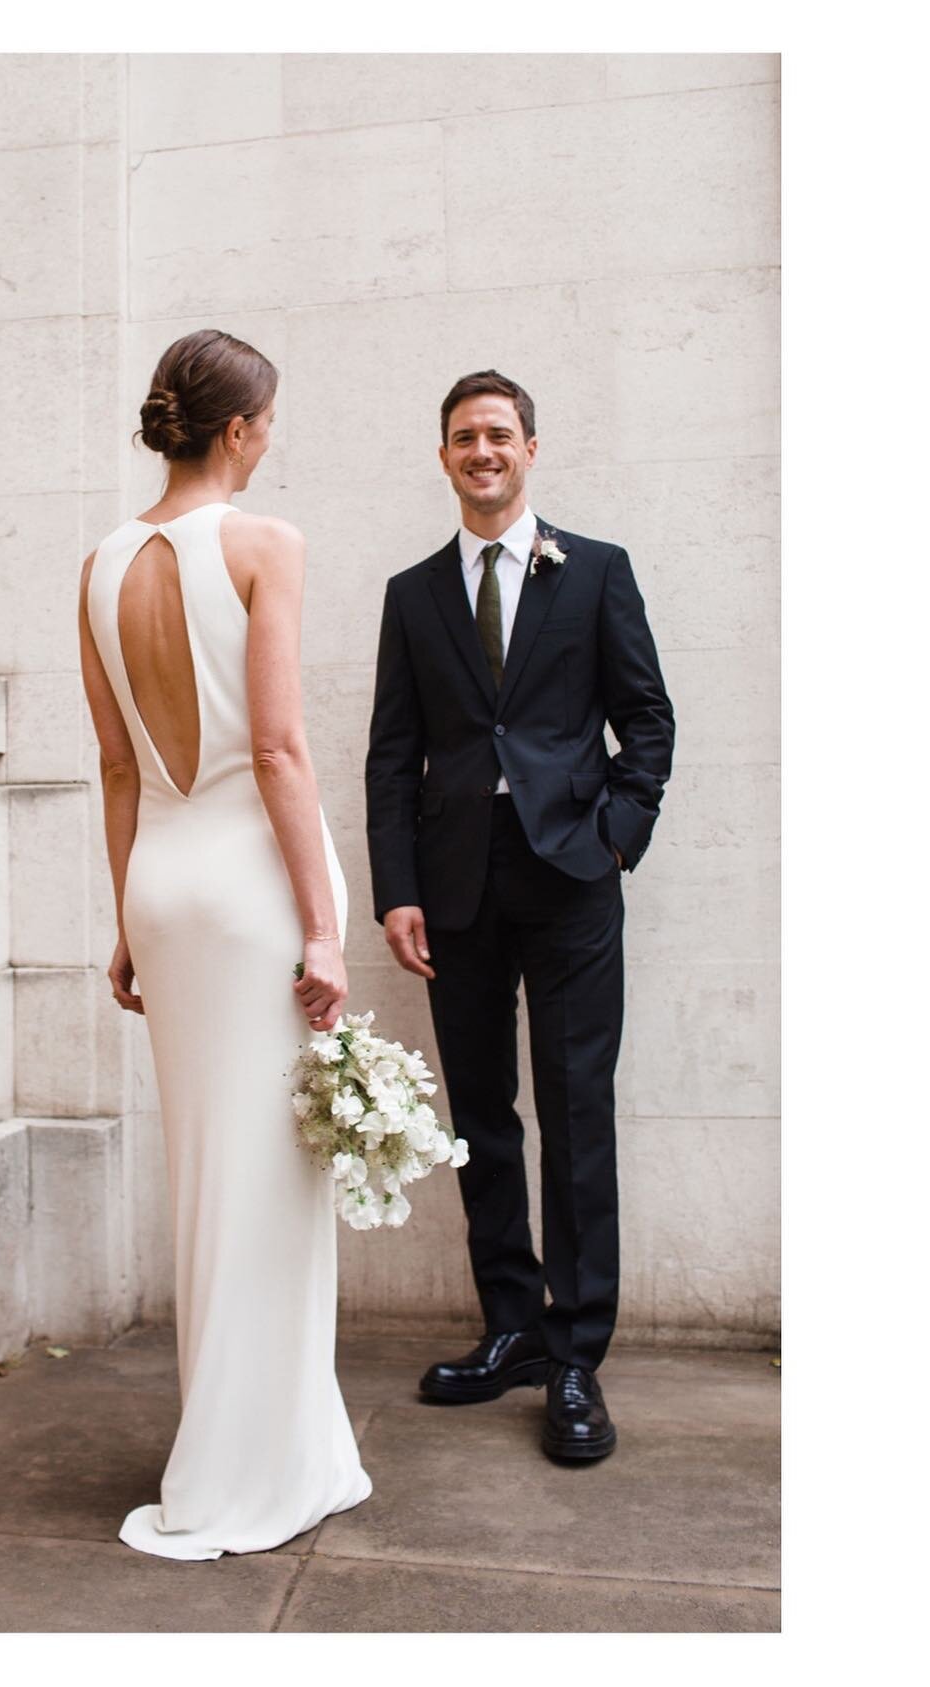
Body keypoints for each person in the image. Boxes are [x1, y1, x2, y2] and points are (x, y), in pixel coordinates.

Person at [79, 328, 372, 1558]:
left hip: (161, 883)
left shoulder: (96, 563)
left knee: (212, 1168)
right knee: (269, 1177)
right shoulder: (263, 542)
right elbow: (277, 749)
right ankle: (253, 1465)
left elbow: (112, 765)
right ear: (241, 427)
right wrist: (320, 926)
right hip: (251, 885)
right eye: (272, 420)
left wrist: (123, 923)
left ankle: (253, 1438)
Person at [365, 370, 674, 1462]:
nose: (481, 452)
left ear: (529, 448)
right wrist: (395, 889)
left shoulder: (593, 571)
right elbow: (391, 755)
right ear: (442, 456)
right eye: (462, 438)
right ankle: (511, 1329)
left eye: (498, 434)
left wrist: (614, 837)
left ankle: (576, 1356)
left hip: (570, 873)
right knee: (480, 1115)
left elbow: (644, 719)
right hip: (454, 886)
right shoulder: (411, 595)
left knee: (575, 1108)